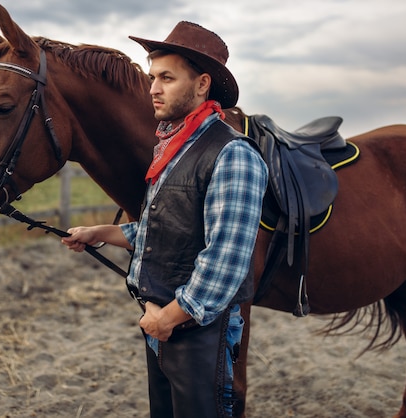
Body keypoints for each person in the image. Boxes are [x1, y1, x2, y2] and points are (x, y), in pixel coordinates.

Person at [61, 21, 268, 418]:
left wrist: (168, 318)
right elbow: (171, 230)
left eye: (167, 78)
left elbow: (227, 260)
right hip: (161, 325)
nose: (152, 88)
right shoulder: (172, 148)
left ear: (202, 84)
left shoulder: (233, 154)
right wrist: (101, 233)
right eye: (152, 77)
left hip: (197, 331)